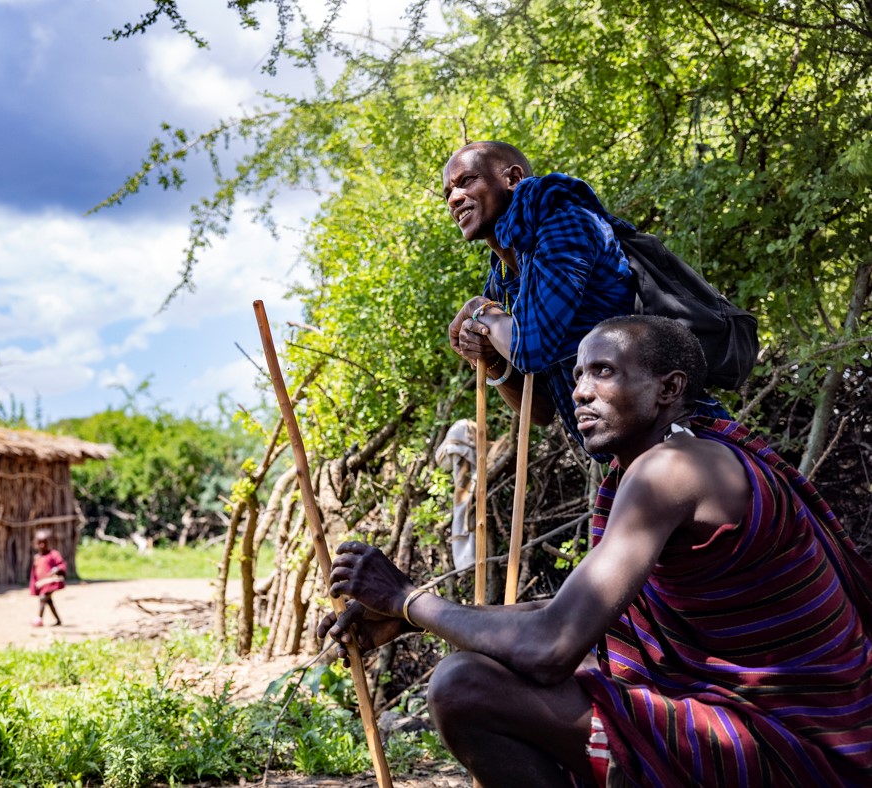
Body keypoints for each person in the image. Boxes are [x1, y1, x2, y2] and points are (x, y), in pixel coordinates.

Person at [319, 316, 872, 786]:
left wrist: (407, 598)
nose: (581, 390)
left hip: (796, 747)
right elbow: (571, 616)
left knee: (465, 685)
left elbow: (550, 645)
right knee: (536, 662)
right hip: (802, 730)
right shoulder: (683, 458)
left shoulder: (673, 469)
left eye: (603, 371)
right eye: (580, 373)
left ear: (668, 388)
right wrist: (409, 621)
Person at [442, 141, 729, 457]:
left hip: (682, 440)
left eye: (466, 181)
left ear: (512, 179)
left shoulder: (565, 221)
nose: (455, 199)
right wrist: (492, 358)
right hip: (630, 456)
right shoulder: (504, 275)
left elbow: (530, 347)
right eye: (448, 193)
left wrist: (478, 311)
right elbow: (539, 412)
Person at [29, 528, 66, 627]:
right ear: (35, 543)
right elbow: (35, 574)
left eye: (44, 542)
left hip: (52, 583)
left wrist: (57, 569)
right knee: (49, 601)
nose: (42, 545)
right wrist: (34, 587)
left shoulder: (53, 554)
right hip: (42, 585)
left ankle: (39, 619)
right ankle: (58, 620)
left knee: (43, 598)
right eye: (39, 542)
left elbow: (62, 565)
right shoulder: (37, 557)